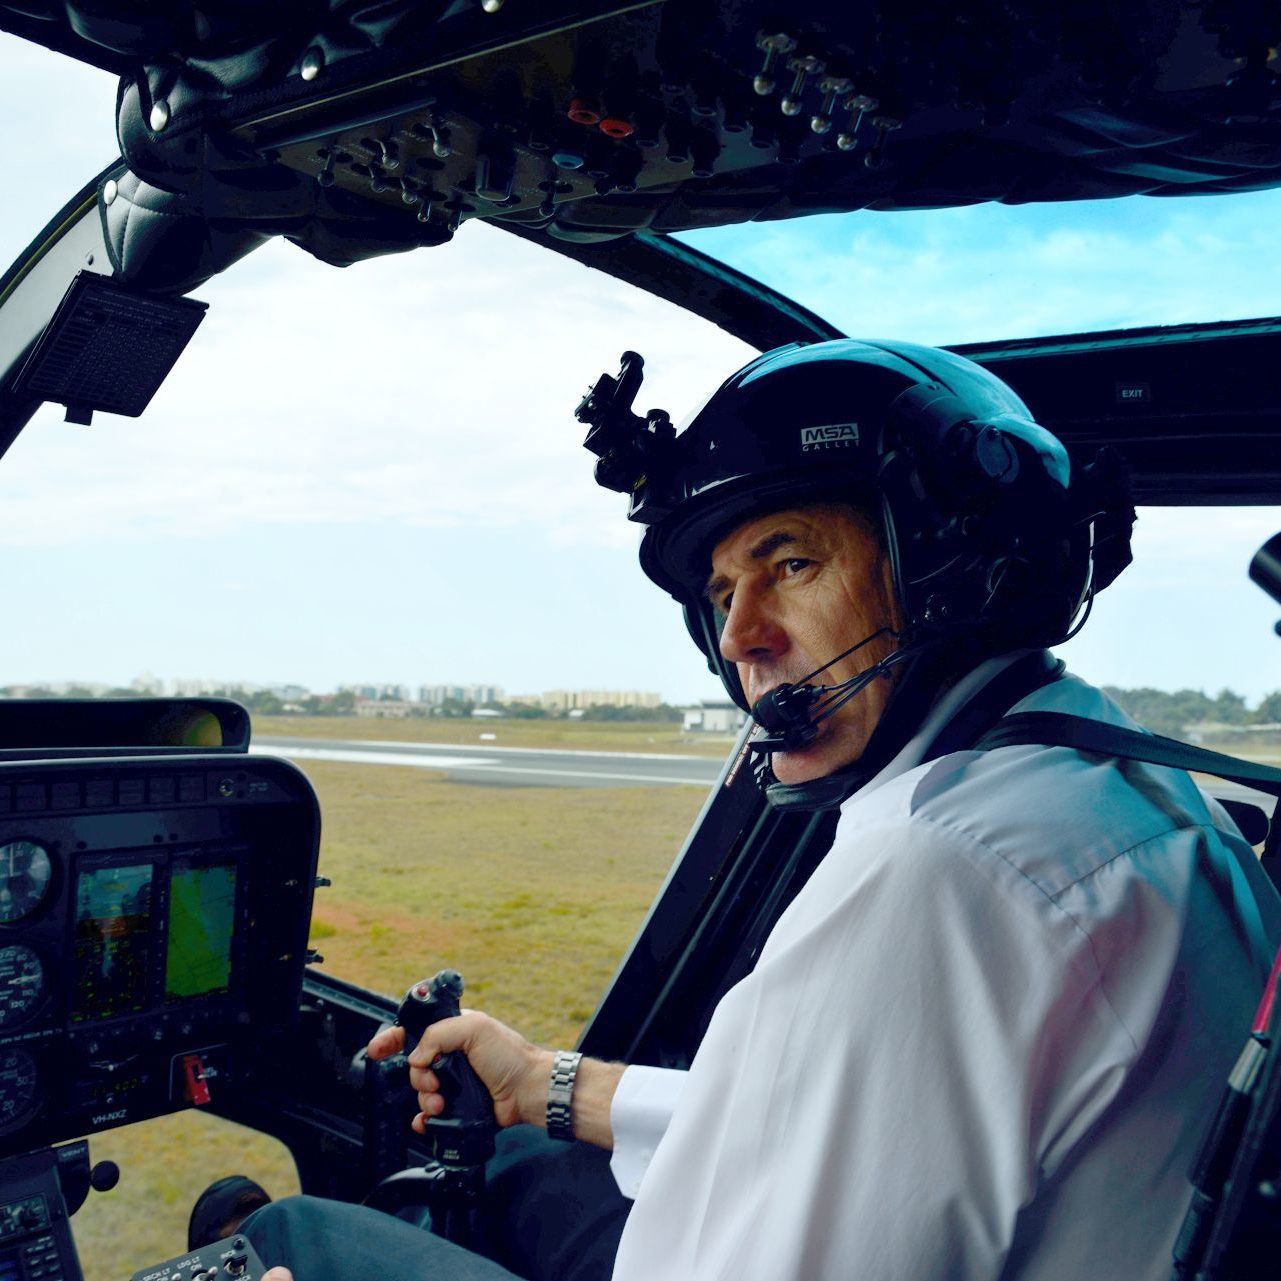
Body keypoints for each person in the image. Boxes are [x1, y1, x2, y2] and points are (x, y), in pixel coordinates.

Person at [231, 338, 1280, 1281]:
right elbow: (849, 1131)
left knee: (291, 1240)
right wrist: (548, 1085)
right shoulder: (1102, 784)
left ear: (950, 567)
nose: (740, 638)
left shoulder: (947, 873)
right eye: (723, 595)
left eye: (790, 562)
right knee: (519, 1158)